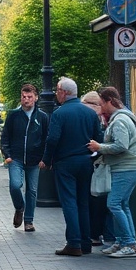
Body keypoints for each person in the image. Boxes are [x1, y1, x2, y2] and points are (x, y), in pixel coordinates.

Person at [41, 76, 102, 256]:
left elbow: (52, 139)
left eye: (58, 90)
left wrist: (47, 159)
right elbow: (98, 138)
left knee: (69, 202)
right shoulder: (90, 113)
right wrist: (92, 157)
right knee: (83, 202)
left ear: (64, 92)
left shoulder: (60, 113)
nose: (56, 94)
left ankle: (73, 243)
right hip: (85, 161)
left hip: (65, 162)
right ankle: (85, 242)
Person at [87, 87, 136, 258]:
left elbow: (121, 146)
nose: (100, 107)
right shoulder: (120, 119)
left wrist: (99, 147)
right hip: (127, 167)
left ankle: (129, 243)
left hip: (125, 168)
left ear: (109, 101)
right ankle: (124, 241)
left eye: (101, 103)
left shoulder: (119, 121)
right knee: (122, 204)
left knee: (114, 203)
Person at [0, 83, 48, 233]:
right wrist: (7, 155)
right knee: (15, 185)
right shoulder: (14, 115)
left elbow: (47, 138)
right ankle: (19, 207)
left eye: (29, 97)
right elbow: (5, 136)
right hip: (16, 158)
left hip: (35, 159)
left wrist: (45, 158)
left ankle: (29, 221)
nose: (26, 99)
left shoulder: (42, 117)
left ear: (35, 98)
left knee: (32, 191)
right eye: (23, 97)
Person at [82, 90, 114, 247]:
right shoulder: (103, 120)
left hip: (95, 164)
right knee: (98, 200)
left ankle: (93, 233)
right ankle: (98, 233)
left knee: (94, 200)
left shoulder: (100, 120)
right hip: (99, 164)